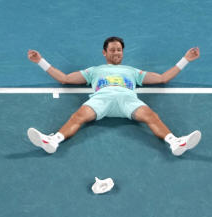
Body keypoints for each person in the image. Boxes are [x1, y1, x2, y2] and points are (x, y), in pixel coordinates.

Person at [25, 37, 202, 156]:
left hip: (127, 99)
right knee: (78, 116)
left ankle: (175, 143)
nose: (117, 52)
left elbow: (163, 78)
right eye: (113, 50)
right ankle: (53, 141)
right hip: (101, 98)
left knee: (151, 116)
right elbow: (64, 79)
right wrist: (40, 61)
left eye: (119, 50)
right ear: (104, 52)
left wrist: (185, 59)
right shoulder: (94, 71)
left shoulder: (133, 71)